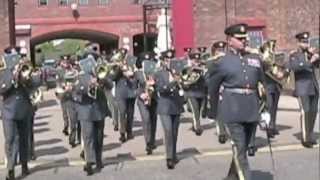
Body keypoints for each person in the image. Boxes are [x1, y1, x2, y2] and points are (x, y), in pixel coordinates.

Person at [207, 23, 268, 180]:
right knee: (239, 148)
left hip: (251, 109)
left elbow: (263, 84)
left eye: (244, 38)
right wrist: (213, 111)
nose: (244, 41)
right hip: (232, 110)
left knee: (243, 148)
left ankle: (231, 177)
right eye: (239, 38)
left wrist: (265, 109)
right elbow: (212, 88)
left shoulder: (254, 59)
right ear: (230, 40)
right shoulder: (221, 62)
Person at [0, 52, 42, 180]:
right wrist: (13, 78)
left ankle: (24, 165)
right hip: (9, 111)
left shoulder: (27, 68)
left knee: (24, 139)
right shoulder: (3, 72)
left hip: (24, 109)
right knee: (10, 140)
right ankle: (11, 169)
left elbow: (36, 83)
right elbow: (2, 89)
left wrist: (27, 77)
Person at [288, 31, 320, 148]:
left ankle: (310, 135)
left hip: (313, 87)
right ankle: (305, 138)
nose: (306, 44)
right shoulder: (294, 55)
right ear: (298, 43)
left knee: (313, 112)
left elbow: (317, 66)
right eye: (303, 42)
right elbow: (296, 68)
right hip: (302, 88)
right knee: (305, 112)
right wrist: (309, 61)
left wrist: (315, 57)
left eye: (307, 42)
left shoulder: (310, 54)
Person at [154, 49, 184, 169]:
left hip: (176, 105)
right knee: (168, 131)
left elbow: (185, 86)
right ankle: (169, 158)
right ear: (163, 61)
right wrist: (173, 82)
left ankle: (174, 153)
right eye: (167, 60)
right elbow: (161, 89)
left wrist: (183, 81)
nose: (169, 62)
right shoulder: (159, 73)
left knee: (175, 132)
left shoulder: (179, 72)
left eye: (171, 59)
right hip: (165, 106)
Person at [205, 41, 228, 144]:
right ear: (214, 52)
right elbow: (209, 72)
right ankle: (221, 133)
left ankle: (228, 129)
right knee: (218, 112)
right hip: (216, 91)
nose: (221, 52)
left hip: (227, 90)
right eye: (219, 50)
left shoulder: (228, 60)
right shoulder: (211, 62)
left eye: (222, 50)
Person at [135, 52, 158, 155]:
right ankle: (148, 143)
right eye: (144, 61)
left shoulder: (155, 72)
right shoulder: (138, 73)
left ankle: (152, 140)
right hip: (142, 99)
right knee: (146, 119)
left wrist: (155, 83)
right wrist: (140, 94)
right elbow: (133, 88)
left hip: (154, 98)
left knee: (153, 120)